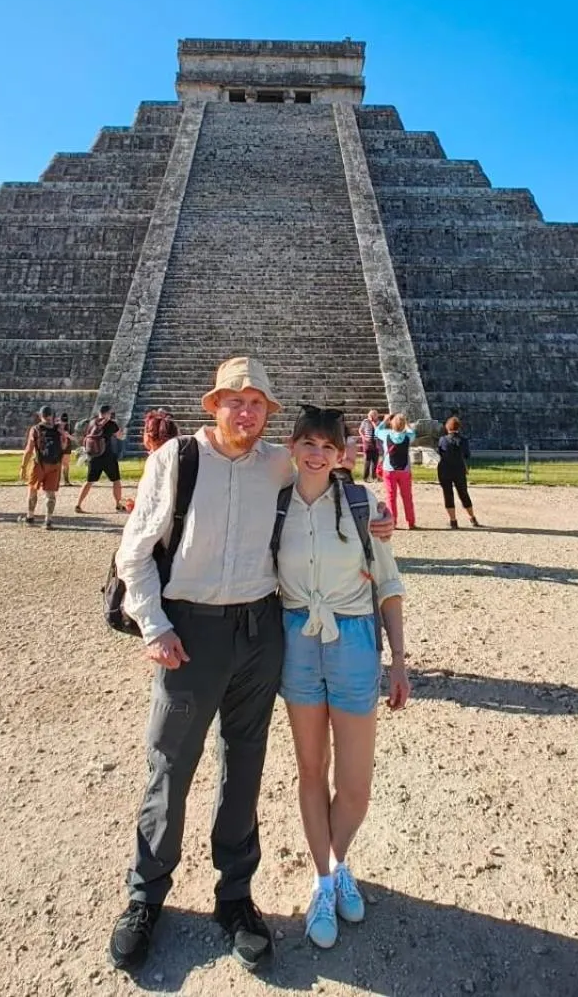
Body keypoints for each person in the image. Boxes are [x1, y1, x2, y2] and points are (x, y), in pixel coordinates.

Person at [108, 358, 394, 974]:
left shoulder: (278, 463)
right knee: (170, 761)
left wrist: (373, 512)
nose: (245, 411)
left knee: (245, 762)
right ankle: (145, 895)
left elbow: (330, 480)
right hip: (190, 630)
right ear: (213, 405)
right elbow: (133, 547)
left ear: (270, 414)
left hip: (261, 630)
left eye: (257, 402)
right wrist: (154, 626)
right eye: (234, 400)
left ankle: (235, 896)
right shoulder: (176, 459)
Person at [275, 405, 410, 949]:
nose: (316, 454)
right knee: (312, 768)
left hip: (353, 640)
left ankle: (339, 858)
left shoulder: (362, 504)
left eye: (327, 447)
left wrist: (399, 658)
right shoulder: (274, 503)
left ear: (341, 455)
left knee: (355, 784)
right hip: (296, 640)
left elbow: (390, 583)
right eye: (307, 443)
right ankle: (326, 879)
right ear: (292, 447)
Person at [18, 404, 68, 529]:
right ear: (52, 415)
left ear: (40, 416)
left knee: (32, 490)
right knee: (50, 494)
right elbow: (63, 447)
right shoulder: (58, 429)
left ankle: (30, 517)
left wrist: (23, 467)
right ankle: (48, 520)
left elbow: (29, 450)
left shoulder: (36, 429)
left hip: (39, 463)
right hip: (55, 464)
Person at [75, 405, 126, 514]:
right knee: (116, 481)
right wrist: (120, 431)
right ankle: (118, 504)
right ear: (108, 413)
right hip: (108, 456)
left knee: (89, 482)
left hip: (93, 456)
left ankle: (78, 504)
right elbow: (120, 436)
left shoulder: (92, 422)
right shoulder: (111, 424)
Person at [375, 413, 417, 529]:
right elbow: (412, 432)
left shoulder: (386, 434)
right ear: (403, 425)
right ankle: (411, 521)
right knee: (407, 496)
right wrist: (406, 423)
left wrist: (385, 420)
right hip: (404, 469)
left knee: (391, 496)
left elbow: (377, 431)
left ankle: (393, 521)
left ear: (391, 424)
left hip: (389, 469)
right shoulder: (408, 436)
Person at [435, 416, 478, 528]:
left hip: (445, 469)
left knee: (448, 494)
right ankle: (472, 517)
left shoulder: (442, 439)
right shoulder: (463, 440)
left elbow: (439, 452)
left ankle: (453, 520)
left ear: (447, 427)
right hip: (459, 469)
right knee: (463, 493)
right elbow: (467, 455)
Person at [358, 410, 383, 481]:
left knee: (375, 461)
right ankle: (365, 477)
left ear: (377, 415)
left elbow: (378, 431)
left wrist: (373, 422)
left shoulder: (380, 423)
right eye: (371, 415)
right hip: (367, 443)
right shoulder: (365, 421)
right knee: (367, 461)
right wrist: (363, 437)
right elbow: (360, 430)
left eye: (374, 414)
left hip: (376, 443)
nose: (372, 416)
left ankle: (374, 477)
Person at [58, 412, 76, 485]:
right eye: (62, 421)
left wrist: (68, 435)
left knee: (66, 464)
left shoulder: (69, 426)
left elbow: (74, 438)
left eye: (65, 422)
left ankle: (66, 481)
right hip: (57, 448)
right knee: (57, 464)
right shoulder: (56, 426)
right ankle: (56, 480)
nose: (63, 423)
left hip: (67, 447)